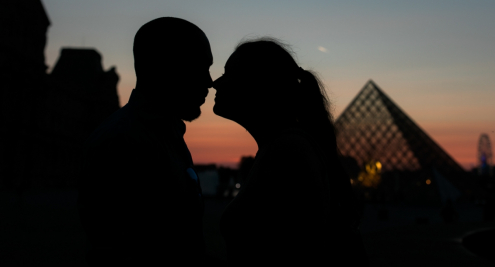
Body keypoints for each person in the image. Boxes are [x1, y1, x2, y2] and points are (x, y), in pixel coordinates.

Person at [213, 38, 368, 266]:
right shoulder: (284, 146)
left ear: (259, 84)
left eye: (229, 74)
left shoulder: (287, 152)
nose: (216, 83)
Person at [77, 17, 213, 266]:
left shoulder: (160, 133)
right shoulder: (123, 141)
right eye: (199, 67)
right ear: (163, 66)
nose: (209, 81)